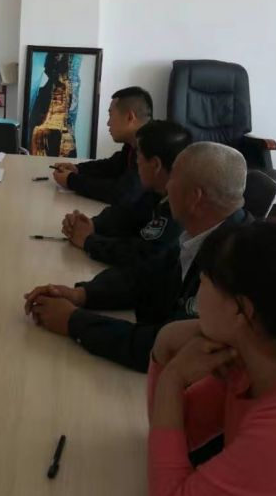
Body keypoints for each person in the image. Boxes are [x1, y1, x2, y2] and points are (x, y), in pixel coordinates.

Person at [24, 142, 251, 373]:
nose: (167, 186)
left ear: (195, 197)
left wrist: (74, 322)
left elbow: (165, 348)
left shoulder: (232, 266)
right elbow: (144, 276)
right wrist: (81, 294)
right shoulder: (200, 232)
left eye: (174, 178)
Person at [148, 220, 276, 496]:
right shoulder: (250, 361)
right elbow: (173, 434)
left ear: (241, 310)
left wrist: (172, 378)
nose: (197, 289)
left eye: (203, 281)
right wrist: (165, 342)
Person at [62, 120, 192, 267]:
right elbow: (126, 215)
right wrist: (92, 224)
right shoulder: (157, 191)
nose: (136, 162)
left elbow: (145, 256)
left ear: (155, 165)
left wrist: (89, 241)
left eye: (139, 155)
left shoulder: (179, 209)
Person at [52, 86, 153, 204]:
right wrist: (77, 169)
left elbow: (122, 192)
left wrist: (71, 180)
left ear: (130, 117)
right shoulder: (133, 144)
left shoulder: (151, 149)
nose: (108, 123)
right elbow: (111, 166)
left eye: (111, 115)